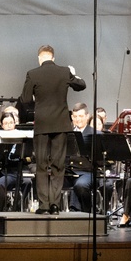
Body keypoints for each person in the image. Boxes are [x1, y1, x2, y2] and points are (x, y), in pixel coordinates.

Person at [16, 44, 87, 214]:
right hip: (61, 124)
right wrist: (73, 73)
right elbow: (81, 85)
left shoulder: (32, 73)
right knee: (58, 165)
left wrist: (37, 94)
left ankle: (44, 205)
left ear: (39, 58)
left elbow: (25, 99)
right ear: (53, 58)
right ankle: (55, 204)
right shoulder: (64, 71)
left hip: (41, 124)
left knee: (41, 165)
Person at [65, 102, 96, 213]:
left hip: (87, 172)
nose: (78, 119)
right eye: (75, 116)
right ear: (72, 117)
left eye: (81, 116)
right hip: (69, 171)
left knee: (81, 185)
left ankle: (86, 212)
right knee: (52, 181)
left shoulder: (95, 134)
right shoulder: (67, 134)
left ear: (87, 117)